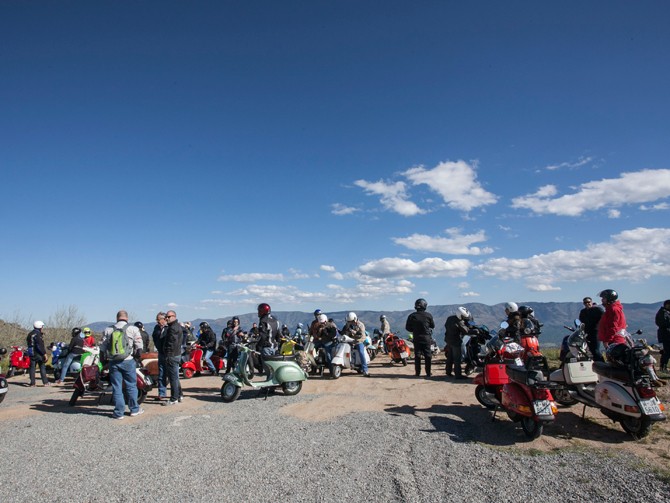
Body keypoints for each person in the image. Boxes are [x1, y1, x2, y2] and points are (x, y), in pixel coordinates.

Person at [100, 310, 144, 419]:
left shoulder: (108, 329)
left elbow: (102, 348)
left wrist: (104, 362)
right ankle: (134, 409)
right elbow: (139, 347)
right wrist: (136, 359)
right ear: (127, 318)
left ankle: (119, 412)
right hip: (128, 361)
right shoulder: (133, 329)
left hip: (114, 362)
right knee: (131, 386)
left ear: (117, 318)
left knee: (117, 387)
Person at [405, 299, 435, 378]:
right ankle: (428, 373)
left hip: (417, 337)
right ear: (424, 306)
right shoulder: (428, 315)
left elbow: (407, 327)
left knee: (417, 355)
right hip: (426, 337)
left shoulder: (412, 316)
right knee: (428, 355)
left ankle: (417, 372)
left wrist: (414, 330)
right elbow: (432, 326)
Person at [597, 289, 628, 364]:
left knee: (616, 363)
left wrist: (607, 340)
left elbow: (613, 327)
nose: (602, 300)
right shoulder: (610, 309)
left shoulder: (613, 309)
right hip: (613, 340)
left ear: (609, 299)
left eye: (604, 298)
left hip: (615, 341)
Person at [163, 310, 183, 406]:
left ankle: (174, 398)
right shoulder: (177, 326)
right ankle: (179, 395)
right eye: (166, 317)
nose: (166, 318)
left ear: (174, 316)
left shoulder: (173, 328)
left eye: (168, 316)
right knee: (175, 377)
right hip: (176, 354)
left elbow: (171, 343)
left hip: (172, 355)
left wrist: (167, 354)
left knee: (173, 378)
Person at [444, 307, 471, 379]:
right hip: (455, 341)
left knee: (450, 357)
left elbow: (446, 326)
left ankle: (448, 372)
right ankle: (458, 375)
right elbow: (466, 331)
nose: (464, 318)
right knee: (457, 359)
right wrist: (470, 328)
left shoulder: (450, 318)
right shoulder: (459, 322)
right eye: (463, 316)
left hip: (448, 340)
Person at [341, 312, 370, 377]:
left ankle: (365, 370)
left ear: (354, 319)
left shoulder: (361, 325)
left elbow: (361, 335)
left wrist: (353, 332)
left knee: (361, 353)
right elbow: (343, 331)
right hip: (350, 340)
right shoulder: (348, 325)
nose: (350, 323)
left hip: (359, 341)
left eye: (351, 321)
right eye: (349, 321)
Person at [579, 297, 605, 362]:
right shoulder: (583, 312)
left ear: (591, 302)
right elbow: (581, 322)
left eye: (588, 302)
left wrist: (601, 326)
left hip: (596, 332)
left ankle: (602, 363)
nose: (587, 304)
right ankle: (596, 363)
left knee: (596, 350)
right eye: (585, 302)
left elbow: (605, 317)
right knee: (591, 350)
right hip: (587, 333)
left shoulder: (598, 310)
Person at [257, 303, 280, 373]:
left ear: (263, 311)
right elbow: (278, 334)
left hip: (266, 348)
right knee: (274, 370)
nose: (258, 312)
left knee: (268, 371)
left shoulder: (263, 320)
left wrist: (258, 346)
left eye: (259, 311)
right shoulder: (275, 320)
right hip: (274, 347)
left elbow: (263, 335)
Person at [27, 320, 50, 387]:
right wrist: (44, 353)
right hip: (38, 353)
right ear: (40, 327)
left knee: (32, 368)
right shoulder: (38, 334)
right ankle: (45, 382)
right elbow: (39, 345)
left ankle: (32, 383)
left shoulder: (30, 334)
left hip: (31, 353)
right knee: (42, 367)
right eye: (42, 326)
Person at [152, 312, 168, 400]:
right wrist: (158, 346)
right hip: (161, 353)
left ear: (164, 319)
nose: (157, 321)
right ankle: (162, 393)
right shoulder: (156, 328)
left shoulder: (169, 327)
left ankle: (177, 394)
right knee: (161, 374)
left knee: (173, 375)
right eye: (157, 320)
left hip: (169, 354)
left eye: (159, 319)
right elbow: (154, 337)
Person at [654, 299, 670, 371]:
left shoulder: (666, 312)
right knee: (667, 351)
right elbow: (662, 323)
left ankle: (664, 366)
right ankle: (663, 367)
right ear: (667, 305)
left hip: (666, 334)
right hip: (666, 335)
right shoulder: (663, 313)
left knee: (667, 351)